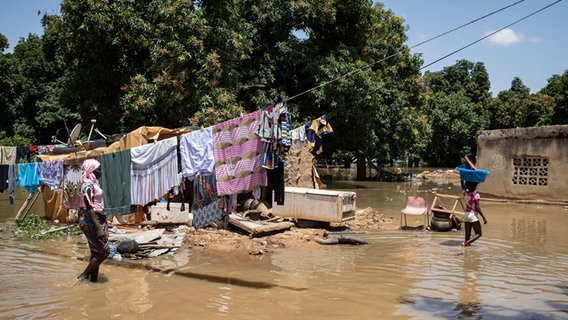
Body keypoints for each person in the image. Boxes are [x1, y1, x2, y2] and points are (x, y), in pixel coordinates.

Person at [77, 159, 109, 282]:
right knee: (104, 252)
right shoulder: (88, 185)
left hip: (95, 219)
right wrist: (98, 228)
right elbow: (89, 207)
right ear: (92, 170)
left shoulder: (92, 184)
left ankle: (93, 281)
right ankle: (83, 276)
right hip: (93, 220)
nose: (101, 171)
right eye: (98, 169)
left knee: (96, 252)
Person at [461, 179, 487, 247]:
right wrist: (484, 217)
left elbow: (463, 186)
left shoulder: (464, 193)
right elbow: (477, 207)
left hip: (466, 215)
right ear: (475, 186)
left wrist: (462, 177)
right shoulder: (476, 195)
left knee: (467, 234)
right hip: (473, 215)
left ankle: (465, 250)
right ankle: (466, 243)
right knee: (478, 233)